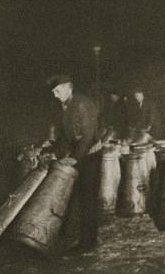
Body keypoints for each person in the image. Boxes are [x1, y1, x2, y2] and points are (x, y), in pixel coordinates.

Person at [45, 74, 101, 253]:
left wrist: (75, 158)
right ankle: (71, 236)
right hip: (80, 154)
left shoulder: (82, 104)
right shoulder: (67, 104)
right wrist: (54, 153)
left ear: (68, 86)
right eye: (53, 92)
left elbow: (88, 136)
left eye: (57, 91)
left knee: (87, 200)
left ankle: (89, 242)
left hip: (90, 156)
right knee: (75, 197)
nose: (55, 95)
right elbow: (67, 136)